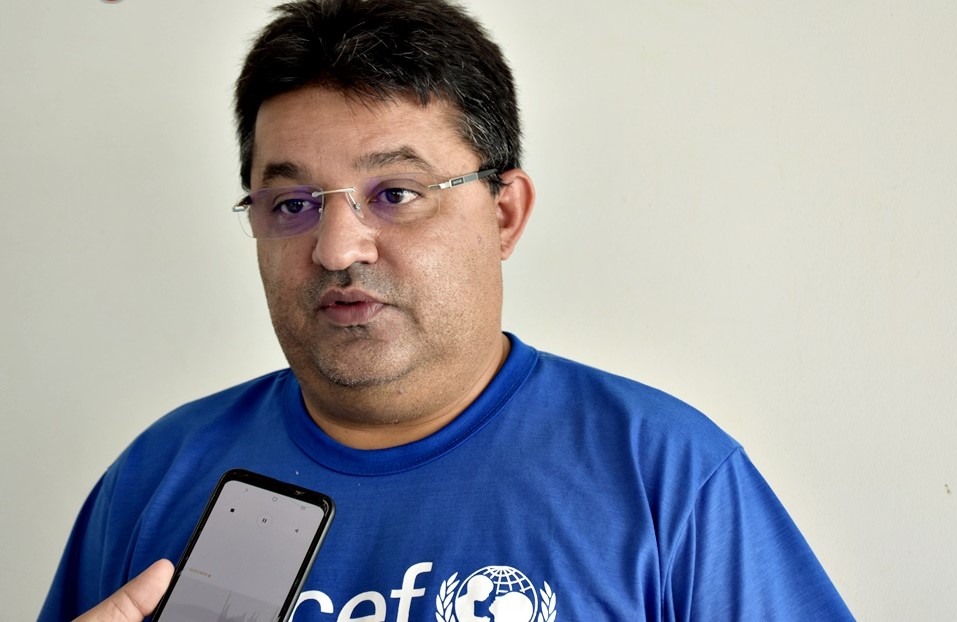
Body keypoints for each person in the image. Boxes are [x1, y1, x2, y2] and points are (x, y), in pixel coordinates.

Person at [42, 0, 854, 620]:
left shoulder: (667, 478)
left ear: (504, 214)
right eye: (291, 205)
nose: (336, 248)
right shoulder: (155, 477)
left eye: (396, 194)